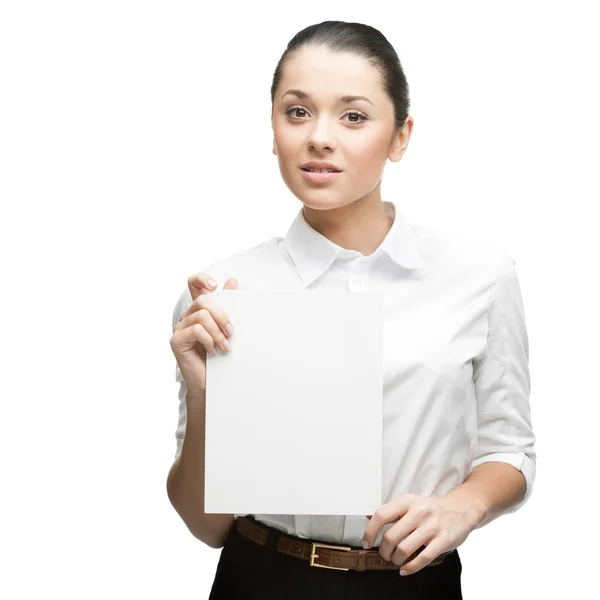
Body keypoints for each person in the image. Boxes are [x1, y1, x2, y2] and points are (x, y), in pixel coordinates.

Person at [167, 20, 536, 600]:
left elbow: (509, 449)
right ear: (272, 129)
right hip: (258, 578)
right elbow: (205, 525)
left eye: (354, 116)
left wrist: (463, 507)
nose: (319, 137)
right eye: (296, 112)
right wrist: (205, 395)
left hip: (413, 584)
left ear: (401, 136)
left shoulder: (480, 275)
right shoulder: (222, 292)